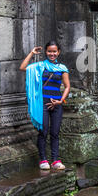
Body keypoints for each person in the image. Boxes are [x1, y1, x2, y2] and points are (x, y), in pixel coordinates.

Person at [20, 41, 70, 170]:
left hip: (57, 104)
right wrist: (32, 53)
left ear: (58, 52)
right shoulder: (40, 66)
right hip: (42, 103)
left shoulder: (62, 68)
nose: (52, 54)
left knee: (55, 132)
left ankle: (55, 160)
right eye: (49, 51)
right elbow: (23, 67)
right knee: (43, 132)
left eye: (54, 51)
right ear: (46, 52)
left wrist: (61, 100)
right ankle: (43, 160)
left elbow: (67, 86)